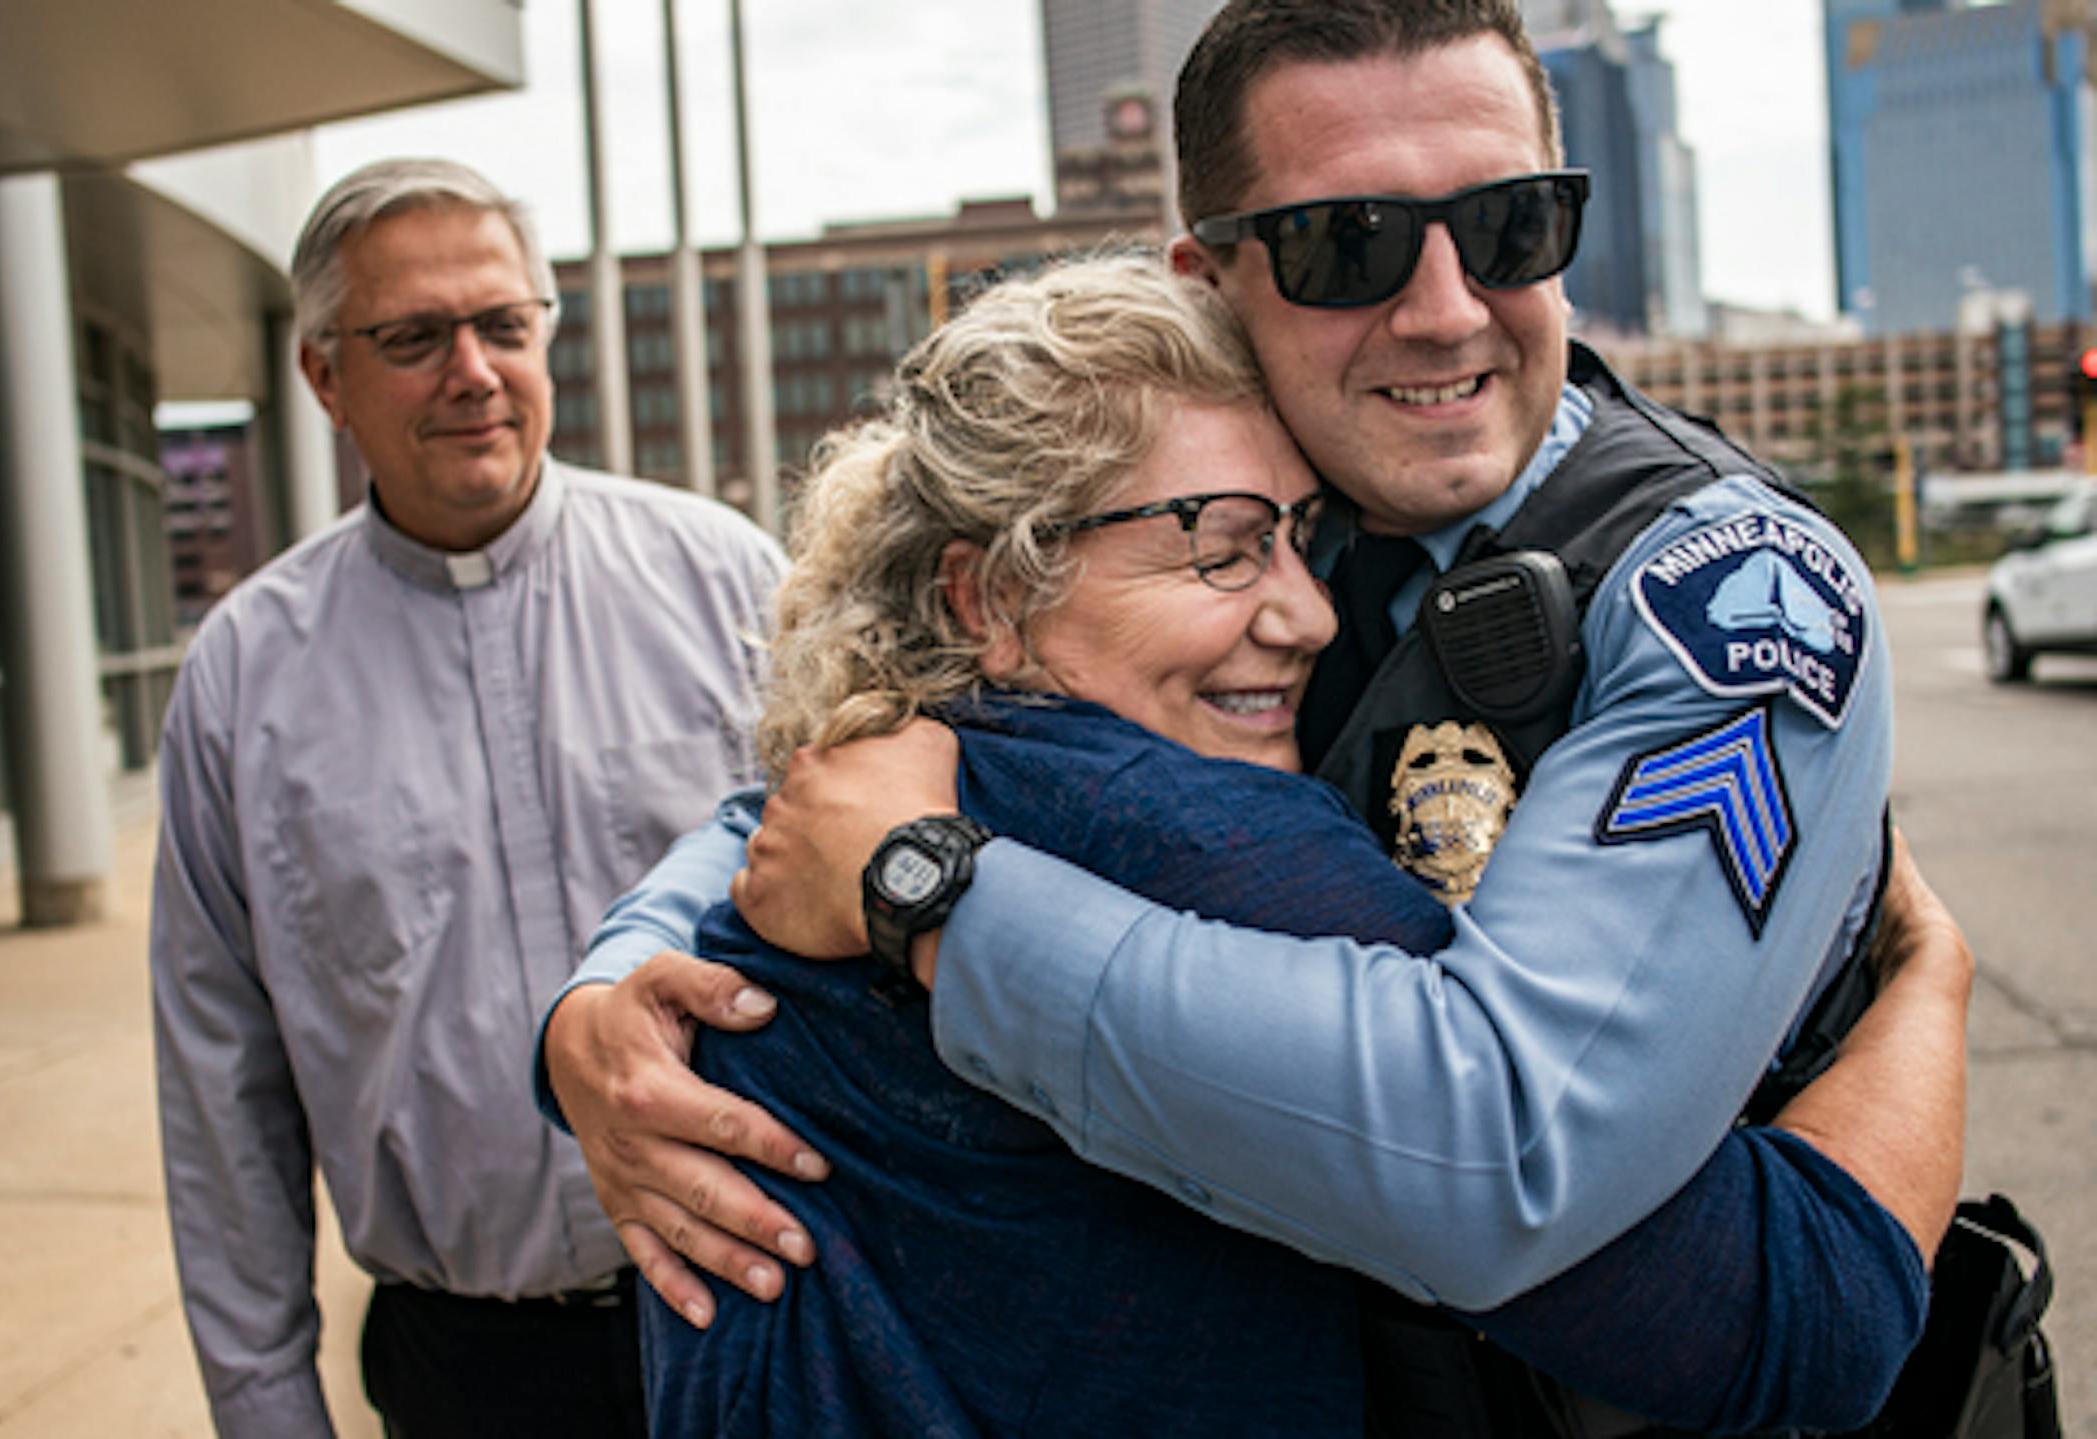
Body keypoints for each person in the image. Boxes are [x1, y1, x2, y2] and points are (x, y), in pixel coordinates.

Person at [543, 0, 1961, 1426]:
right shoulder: (1283, 499)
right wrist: (607, 999)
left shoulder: (1722, 588)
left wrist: (933, 893)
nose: (1447, 306)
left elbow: (1516, 1138)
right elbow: (813, 803)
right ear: (1214, 279)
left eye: (1513, 225)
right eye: (1351, 242)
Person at [149, 158, 785, 1439]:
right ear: (325, 375)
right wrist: (268, 1408)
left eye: (504, 324)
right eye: (414, 337)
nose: (475, 371)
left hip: (766, 1316)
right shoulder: (244, 677)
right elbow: (223, 1085)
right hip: (471, 1373)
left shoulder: (727, 585)